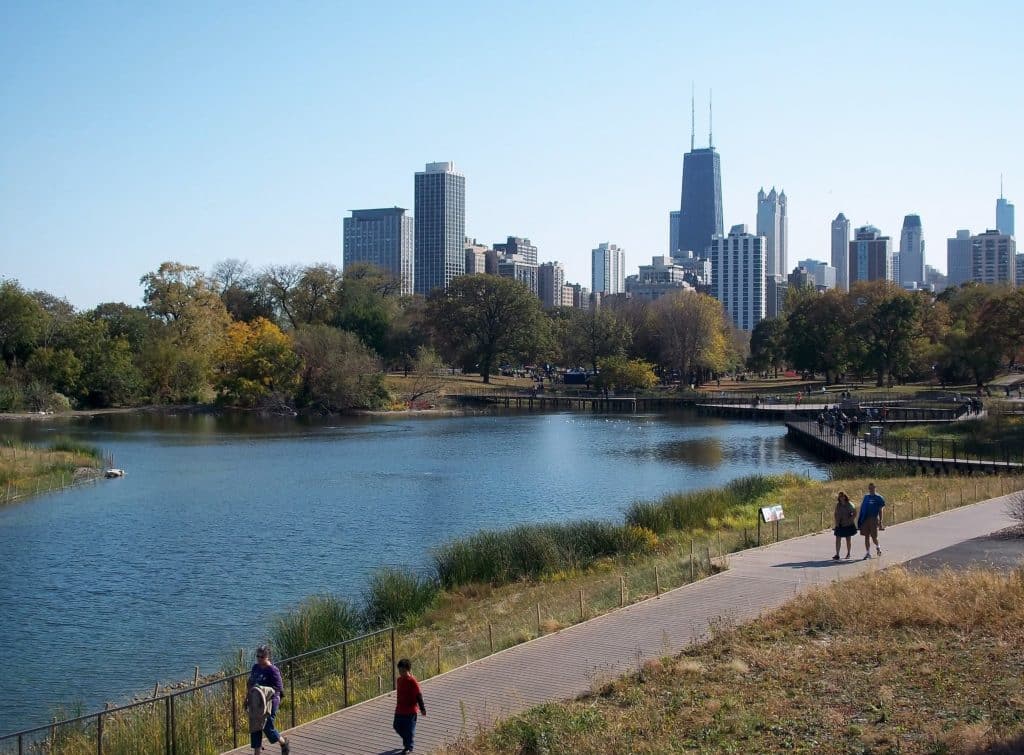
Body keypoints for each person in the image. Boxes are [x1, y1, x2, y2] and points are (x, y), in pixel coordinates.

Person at [247, 645, 290, 755]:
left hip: (269, 701)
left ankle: (283, 742)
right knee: (255, 727)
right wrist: (248, 698)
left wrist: (264, 690)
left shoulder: (273, 670)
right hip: (256, 702)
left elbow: (278, 688)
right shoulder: (255, 667)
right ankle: (257, 752)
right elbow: (250, 682)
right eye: (258, 656)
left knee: (268, 728)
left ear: (268, 657)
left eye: (262, 656)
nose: (259, 659)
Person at [393, 658, 426, 754]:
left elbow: (418, 695)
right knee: (397, 726)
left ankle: (409, 747)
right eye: (400, 671)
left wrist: (422, 708)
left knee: (409, 731)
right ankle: (407, 741)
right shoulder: (399, 680)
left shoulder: (412, 681)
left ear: (408, 670)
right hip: (399, 709)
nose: (401, 673)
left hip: (411, 711)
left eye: (403, 671)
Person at [858, 482, 886, 558]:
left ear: (875, 488)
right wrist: (860, 519)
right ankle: (868, 553)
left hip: (874, 519)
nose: (871, 489)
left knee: (874, 537)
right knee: (866, 536)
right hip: (866, 519)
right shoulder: (866, 497)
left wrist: (880, 521)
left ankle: (878, 547)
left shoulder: (879, 498)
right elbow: (862, 508)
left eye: (872, 488)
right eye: (869, 488)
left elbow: (881, 510)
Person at [832, 491, 857, 560]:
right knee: (837, 539)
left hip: (848, 524)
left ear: (845, 496)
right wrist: (836, 522)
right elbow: (835, 513)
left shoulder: (850, 504)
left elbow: (855, 513)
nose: (841, 498)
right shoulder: (838, 505)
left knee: (848, 539)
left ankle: (848, 553)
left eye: (842, 496)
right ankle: (837, 554)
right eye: (840, 496)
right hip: (839, 524)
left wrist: (850, 520)